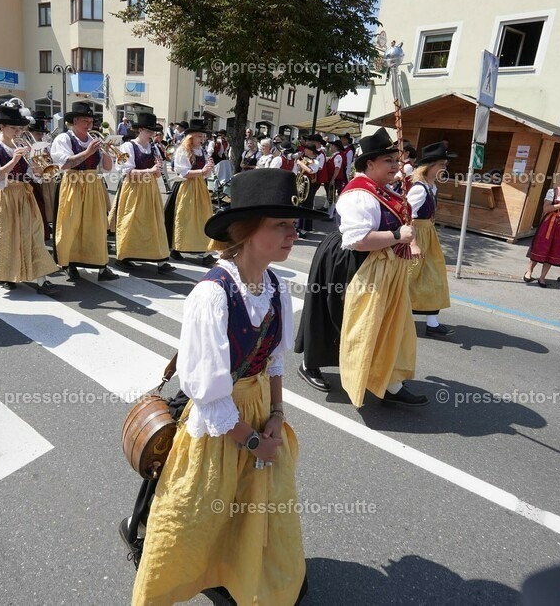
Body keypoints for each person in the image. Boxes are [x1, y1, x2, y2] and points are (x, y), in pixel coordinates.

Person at [130, 168, 314, 606]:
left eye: (293, 225)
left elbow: (273, 359)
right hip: (221, 421)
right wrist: (251, 440)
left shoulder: (275, 286)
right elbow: (206, 394)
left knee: (252, 507)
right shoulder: (212, 295)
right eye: (281, 225)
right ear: (247, 231)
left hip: (256, 414)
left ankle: (240, 572)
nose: (293, 233)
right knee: (200, 508)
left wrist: (276, 416)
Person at [294, 128, 427, 407]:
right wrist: (396, 237)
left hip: (383, 265)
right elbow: (358, 240)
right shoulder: (359, 195)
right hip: (351, 261)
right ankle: (311, 364)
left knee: (387, 323)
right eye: (389, 161)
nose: (396, 166)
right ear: (370, 164)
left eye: (395, 160)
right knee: (340, 317)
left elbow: (401, 220)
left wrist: (408, 243)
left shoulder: (384, 189)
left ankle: (389, 381)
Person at [0, 106, 59, 293]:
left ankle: (42, 279)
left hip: (24, 193)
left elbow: (33, 174)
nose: (19, 132)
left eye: (20, 129)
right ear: (2, 127)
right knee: (7, 236)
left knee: (34, 234)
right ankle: (4, 274)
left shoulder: (23, 147)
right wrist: (13, 160)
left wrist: (39, 169)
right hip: (6, 195)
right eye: (14, 129)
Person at [51, 101, 117, 281]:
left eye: (91, 121)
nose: (89, 125)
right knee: (70, 225)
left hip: (93, 184)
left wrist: (106, 152)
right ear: (74, 121)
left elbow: (108, 168)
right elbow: (65, 164)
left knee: (97, 225)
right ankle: (69, 263)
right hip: (73, 183)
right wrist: (88, 152)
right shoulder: (64, 139)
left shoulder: (95, 140)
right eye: (85, 121)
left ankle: (101, 266)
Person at [112, 112, 174, 273]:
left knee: (154, 221)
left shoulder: (153, 147)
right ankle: (124, 255)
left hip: (150, 188)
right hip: (133, 188)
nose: (152, 135)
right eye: (148, 131)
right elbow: (128, 173)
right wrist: (150, 169)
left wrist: (158, 169)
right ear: (139, 130)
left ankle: (160, 258)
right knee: (131, 221)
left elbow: (157, 174)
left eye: (153, 132)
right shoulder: (128, 146)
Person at [406, 142, 457, 337]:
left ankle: (432, 322)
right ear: (429, 166)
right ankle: (396, 316)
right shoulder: (419, 189)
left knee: (433, 278)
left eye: (445, 165)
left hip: (428, 235)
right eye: (441, 165)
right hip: (417, 235)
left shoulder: (430, 186)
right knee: (409, 278)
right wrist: (413, 244)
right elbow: (406, 216)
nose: (444, 168)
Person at [165, 119, 216, 266]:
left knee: (203, 218)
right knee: (185, 218)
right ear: (191, 136)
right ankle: (177, 247)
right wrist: (202, 171)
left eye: (203, 136)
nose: (202, 139)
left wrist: (208, 170)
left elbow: (204, 174)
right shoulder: (183, 151)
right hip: (186, 188)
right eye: (200, 136)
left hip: (200, 186)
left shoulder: (202, 151)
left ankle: (203, 250)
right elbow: (183, 173)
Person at [525, 168, 560, 287]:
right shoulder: (553, 191)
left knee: (554, 250)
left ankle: (542, 277)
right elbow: (546, 208)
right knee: (540, 247)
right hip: (549, 223)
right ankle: (529, 271)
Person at [294, 141, 323, 238]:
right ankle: (297, 225)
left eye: (307, 149)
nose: (305, 150)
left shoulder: (315, 161)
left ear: (311, 151)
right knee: (299, 203)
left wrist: (300, 163)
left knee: (306, 204)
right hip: (300, 181)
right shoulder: (303, 158)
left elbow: (311, 170)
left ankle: (304, 228)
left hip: (308, 184)